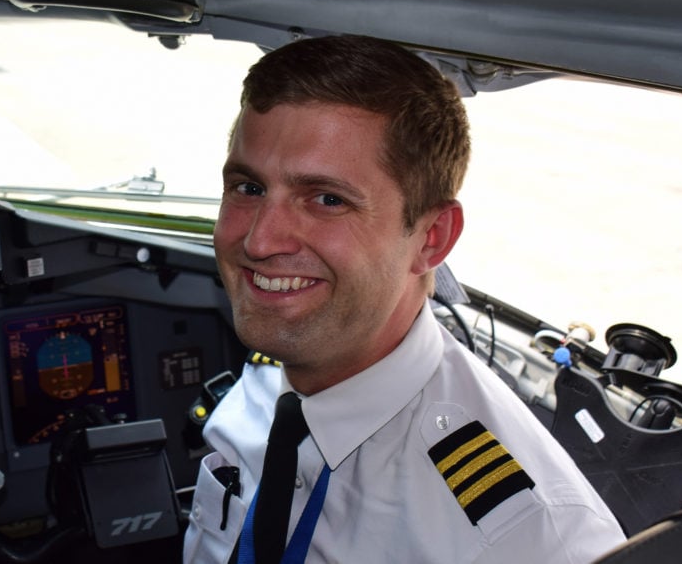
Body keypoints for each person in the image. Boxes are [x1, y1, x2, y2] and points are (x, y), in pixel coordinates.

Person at [183, 35, 625, 563]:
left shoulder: (528, 540)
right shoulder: (269, 372)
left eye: (327, 200)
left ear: (432, 237)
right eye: (248, 188)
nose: (259, 241)